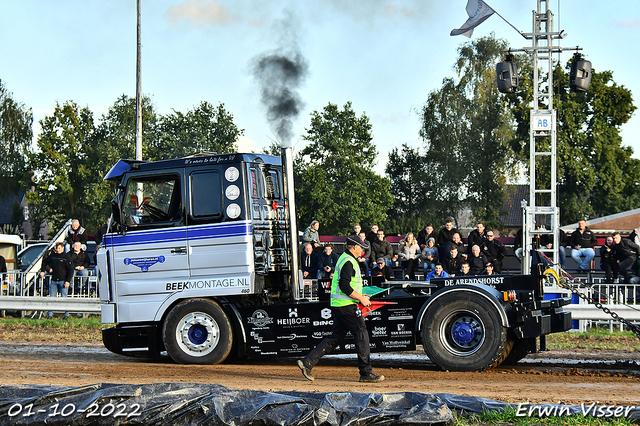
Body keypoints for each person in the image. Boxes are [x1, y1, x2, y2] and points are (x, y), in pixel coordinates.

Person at [297, 235, 384, 383]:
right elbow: (344, 286)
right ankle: (366, 373)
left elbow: (347, 285)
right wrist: (361, 298)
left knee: (335, 338)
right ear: (354, 247)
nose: (362, 250)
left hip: (340, 304)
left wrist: (359, 294)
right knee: (361, 334)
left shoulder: (345, 258)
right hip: (345, 305)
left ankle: (307, 362)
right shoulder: (349, 261)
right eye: (361, 247)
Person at [39, 242, 74, 319]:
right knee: (52, 297)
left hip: (63, 280)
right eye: (57, 248)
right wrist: (43, 270)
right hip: (54, 280)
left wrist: (68, 281)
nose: (58, 250)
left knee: (64, 298)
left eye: (59, 248)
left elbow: (71, 270)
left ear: (63, 248)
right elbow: (44, 261)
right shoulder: (52, 256)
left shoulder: (66, 257)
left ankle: (66, 314)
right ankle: (50, 314)